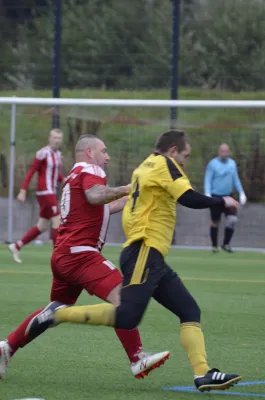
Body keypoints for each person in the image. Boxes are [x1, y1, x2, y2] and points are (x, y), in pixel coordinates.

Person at [23, 130, 242, 393]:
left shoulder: (144, 166)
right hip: (144, 251)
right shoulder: (165, 165)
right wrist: (222, 200)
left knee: (189, 311)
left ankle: (203, 374)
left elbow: (129, 205)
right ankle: (59, 313)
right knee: (127, 316)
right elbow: (188, 197)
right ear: (173, 151)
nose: (184, 161)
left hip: (151, 255)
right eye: (184, 155)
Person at [0, 134, 169, 381]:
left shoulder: (74, 176)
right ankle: (137, 359)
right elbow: (95, 196)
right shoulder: (91, 170)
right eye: (104, 151)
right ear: (90, 152)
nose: (108, 157)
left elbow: (103, 205)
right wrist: (127, 187)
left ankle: (7, 346)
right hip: (81, 254)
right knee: (123, 296)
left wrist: (136, 195)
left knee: (55, 310)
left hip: (63, 254)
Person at [8, 129, 64, 263]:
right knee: (57, 221)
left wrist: (65, 179)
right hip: (45, 192)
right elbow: (31, 171)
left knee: (43, 225)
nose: (57, 140)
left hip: (50, 192)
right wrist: (23, 190)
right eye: (55, 137)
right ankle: (58, 257)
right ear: (49, 138)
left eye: (59, 138)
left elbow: (55, 175)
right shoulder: (42, 153)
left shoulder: (58, 155)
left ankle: (16, 246)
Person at [204, 143, 247, 253]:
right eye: (222, 151)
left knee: (232, 219)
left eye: (226, 151)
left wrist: (241, 192)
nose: (224, 153)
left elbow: (235, 179)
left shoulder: (232, 164)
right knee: (215, 221)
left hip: (229, 196)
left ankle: (226, 244)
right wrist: (207, 193)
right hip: (215, 196)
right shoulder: (212, 164)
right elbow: (208, 179)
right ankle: (214, 246)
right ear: (219, 152)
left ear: (229, 152)